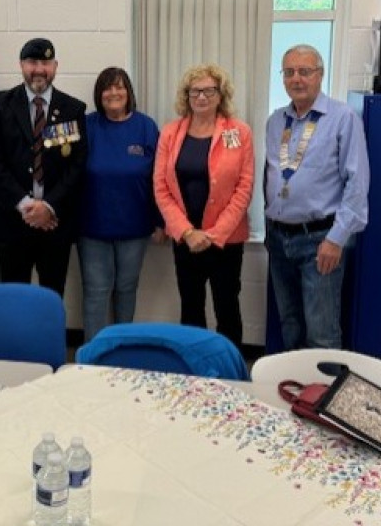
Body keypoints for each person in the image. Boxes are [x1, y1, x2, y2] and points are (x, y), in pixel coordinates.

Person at [263, 44, 369, 350]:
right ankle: (294, 394)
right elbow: (272, 176)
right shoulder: (275, 121)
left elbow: (357, 182)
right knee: (290, 325)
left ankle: (322, 397)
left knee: (321, 332)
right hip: (279, 238)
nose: (297, 79)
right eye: (290, 72)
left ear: (320, 75)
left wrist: (336, 239)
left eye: (305, 71)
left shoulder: (342, 117)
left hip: (320, 240)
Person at [153, 64, 254, 347]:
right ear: (186, 96)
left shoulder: (240, 132)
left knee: (228, 309)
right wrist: (187, 232)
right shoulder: (170, 133)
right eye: (195, 91)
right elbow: (161, 187)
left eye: (209, 90)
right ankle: (194, 374)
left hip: (226, 241)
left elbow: (244, 188)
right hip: (186, 240)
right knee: (191, 308)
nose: (201, 97)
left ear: (221, 95)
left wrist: (214, 234)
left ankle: (231, 374)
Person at [0, 38, 87, 296]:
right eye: (32, 62)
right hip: (13, 222)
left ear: (55, 66)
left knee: (53, 295)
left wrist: (48, 206)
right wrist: (27, 206)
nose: (39, 69)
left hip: (54, 223)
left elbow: (77, 164)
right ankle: (17, 339)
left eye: (45, 62)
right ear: (21, 65)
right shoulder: (0, 104)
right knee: (14, 298)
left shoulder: (72, 108)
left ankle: (49, 339)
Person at [77, 67, 163, 341]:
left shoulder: (146, 127)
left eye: (120, 87)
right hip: (92, 228)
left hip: (135, 228)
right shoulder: (85, 126)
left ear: (129, 92)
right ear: (99, 94)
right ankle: (92, 359)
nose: (114, 93)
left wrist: (161, 222)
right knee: (96, 292)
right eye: (107, 88)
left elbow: (159, 179)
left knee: (126, 290)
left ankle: (121, 351)